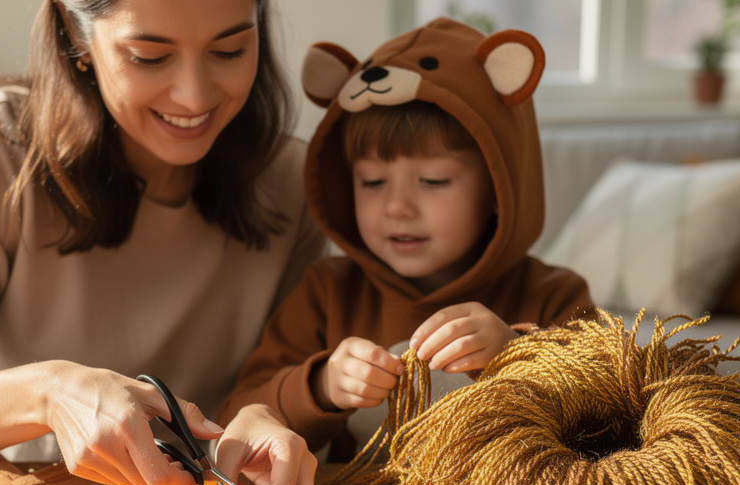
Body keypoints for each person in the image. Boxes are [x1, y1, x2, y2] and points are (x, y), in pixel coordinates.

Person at [0, 0, 323, 485]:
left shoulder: (294, 180)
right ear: (76, 33)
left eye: (230, 49)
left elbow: (286, 371)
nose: (195, 94)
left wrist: (268, 412)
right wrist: (46, 392)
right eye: (149, 56)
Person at [217, 20, 595, 459]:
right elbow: (235, 419)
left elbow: (613, 420)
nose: (397, 207)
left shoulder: (555, 296)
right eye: (373, 181)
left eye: (433, 181)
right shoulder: (327, 291)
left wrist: (515, 353)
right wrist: (320, 386)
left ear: (499, 187)